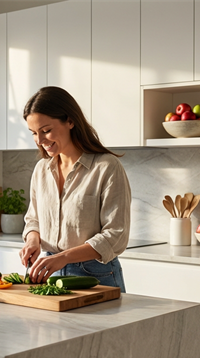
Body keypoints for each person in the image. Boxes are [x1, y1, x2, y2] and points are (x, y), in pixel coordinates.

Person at [19, 86, 131, 292]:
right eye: (34, 133)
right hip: (49, 274)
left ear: (70, 121)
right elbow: (33, 219)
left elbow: (116, 235)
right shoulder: (42, 169)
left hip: (96, 277)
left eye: (46, 131)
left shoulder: (106, 167)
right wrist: (33, 241)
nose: (40, 141)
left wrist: (64, 258)